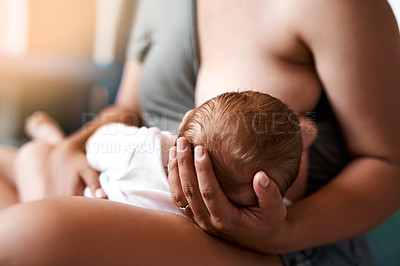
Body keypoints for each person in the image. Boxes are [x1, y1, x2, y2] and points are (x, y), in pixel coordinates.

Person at [0, 0, 399, 265]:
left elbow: (386, 162)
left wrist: (284, 232)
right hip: (138, 194)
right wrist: (70, 148)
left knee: (27, 235)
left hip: (277, 243)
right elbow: (129, 110)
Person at [19, 91, 315, 215]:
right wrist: (297, 139)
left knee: (34, 155)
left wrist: (64, 147)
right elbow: (291, 191)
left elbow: (96, 144)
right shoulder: (252, 211)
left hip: (78, 203)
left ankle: (53, 138)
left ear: (186, 121)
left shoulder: (143, 148)